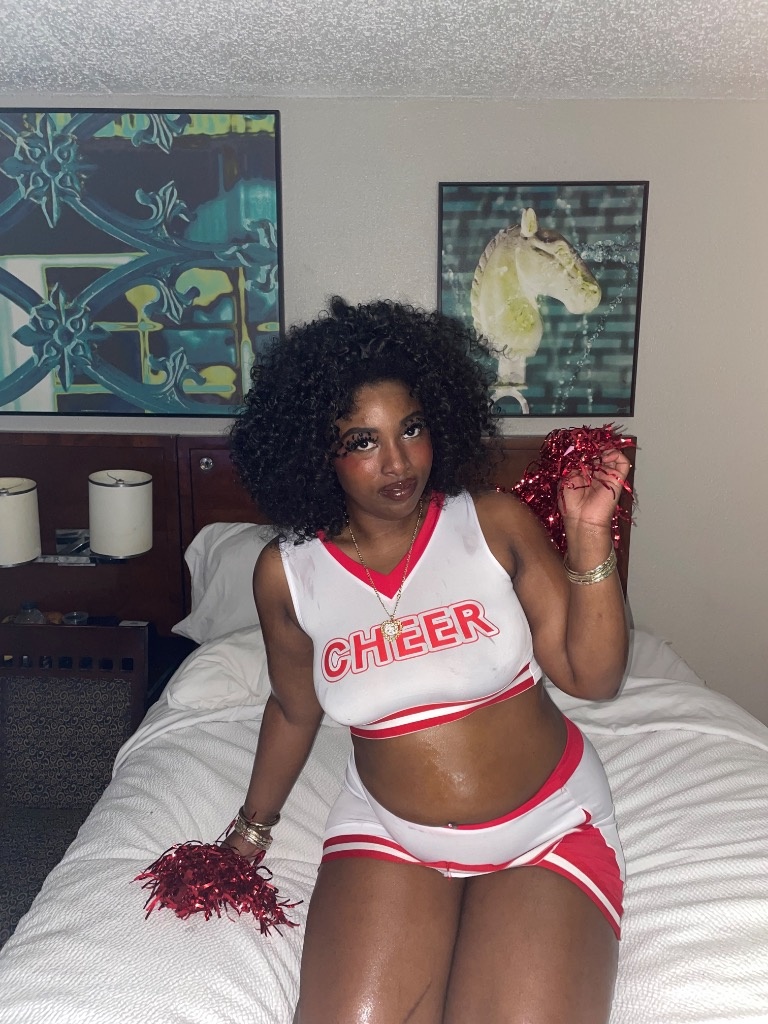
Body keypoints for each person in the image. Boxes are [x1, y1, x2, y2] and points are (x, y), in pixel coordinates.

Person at [227, 296, 630, 1024]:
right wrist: (251, 830)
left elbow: (592, 678)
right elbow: (293, 707)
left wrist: (588, 535)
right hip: (388, 833)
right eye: (363, 441)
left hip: (547, 827)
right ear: (317, 452)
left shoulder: (492, 523)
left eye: (411, 428)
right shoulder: (288, 574)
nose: (398, 461)